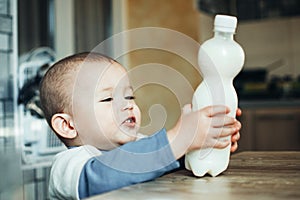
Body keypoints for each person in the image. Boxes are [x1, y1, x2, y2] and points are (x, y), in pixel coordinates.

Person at [39, 52, 241, 199]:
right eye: (108, 99)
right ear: (67, 125)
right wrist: (179, 139)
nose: (128, 105)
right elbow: (104, 177)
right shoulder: (67, 166)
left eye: (129, 96)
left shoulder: (140, 145)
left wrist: (203, 143)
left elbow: (162, 164)